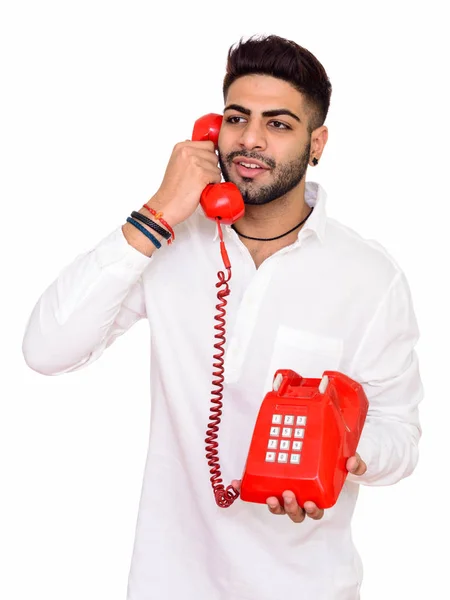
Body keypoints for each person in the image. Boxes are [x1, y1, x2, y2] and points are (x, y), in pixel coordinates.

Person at [22, 34, 423, 600]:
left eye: (279, 124)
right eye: (237, 118)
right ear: (213, 128)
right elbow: (46, 349)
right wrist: (159, 212)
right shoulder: (170, 242)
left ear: (318, 142)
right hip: (170, 582)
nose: (250, 140)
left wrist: (347, 454)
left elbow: (400, 432)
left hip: (307, 587)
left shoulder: (368, 274)